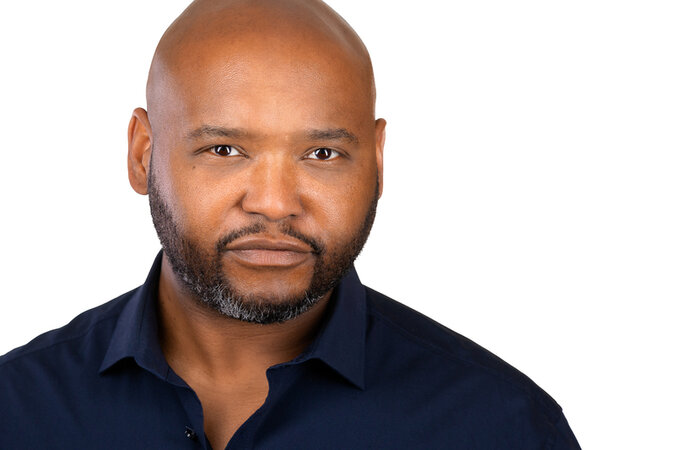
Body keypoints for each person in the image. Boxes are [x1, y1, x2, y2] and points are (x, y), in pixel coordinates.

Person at [0, 0, 580, 448]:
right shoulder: (16, 410)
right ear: (142, 155)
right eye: (224, 150)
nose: (275, 204)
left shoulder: (503, 427)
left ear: (377, 163)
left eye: (322, 154)